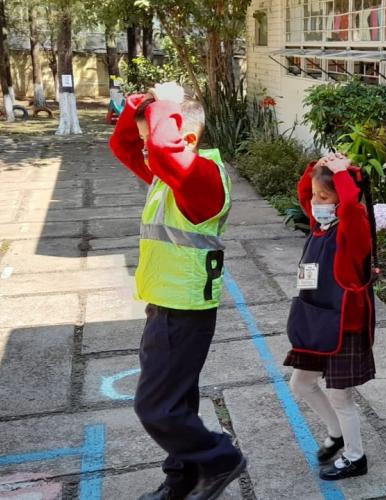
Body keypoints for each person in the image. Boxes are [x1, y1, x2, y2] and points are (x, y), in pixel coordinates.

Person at [108, 82, 246, 500]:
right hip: (165, 304)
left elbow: (165, 152)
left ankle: (219, 458)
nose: (148, 153)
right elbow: (123, 146)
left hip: (183, 308)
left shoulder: (200, 177)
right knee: (177, 402)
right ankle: (182, 476)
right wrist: (144, 103)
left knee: (157, 408)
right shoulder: (171, 173)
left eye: (156, 142)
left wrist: (167, 102)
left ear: (184, 137)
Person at [284, 153, 379, 480]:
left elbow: (352, 208)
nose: (315, 203)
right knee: (302, 383)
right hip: (315, 321)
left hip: (343, 326)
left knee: (341, 396)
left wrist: (342, 174)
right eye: (315, 196)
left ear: (342, 200)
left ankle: (356, 456)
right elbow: (303, 194)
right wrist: (317, 167)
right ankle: (337, 433)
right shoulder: (321, 225)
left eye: (325, 197)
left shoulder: (353, 230)